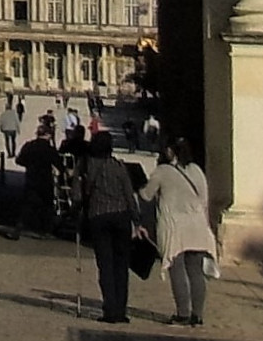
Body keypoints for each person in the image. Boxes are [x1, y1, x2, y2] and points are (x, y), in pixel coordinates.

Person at [149, 136, 218, 326]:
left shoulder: (163, 171)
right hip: (197, 226)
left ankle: (183, 313)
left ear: (170, 152)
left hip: (175, 227)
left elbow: (147, 194)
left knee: (177, 270)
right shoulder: (196, 170)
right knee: (196, 271)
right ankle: (198, 314)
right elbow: (204, 200)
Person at [77, 130, 142, 324]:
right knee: (121, 265)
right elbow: (129, 195)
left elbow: (79, 192)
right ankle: (121, 309)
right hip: (121, 217)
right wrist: (136, 221)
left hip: (98, 216)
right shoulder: (119, 166)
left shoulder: (87, 165)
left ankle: (110, 308)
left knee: (105, 265)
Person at [17, 114, 60, 236]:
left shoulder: (29, 145)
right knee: (47, 205)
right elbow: (58, 164)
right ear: (48, 135)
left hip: (31, 177)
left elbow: (19, 160)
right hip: (45, 179)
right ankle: (46, 230)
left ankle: (19, 227)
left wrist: (29, 165)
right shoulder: (49, 149)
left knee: (28, 204)